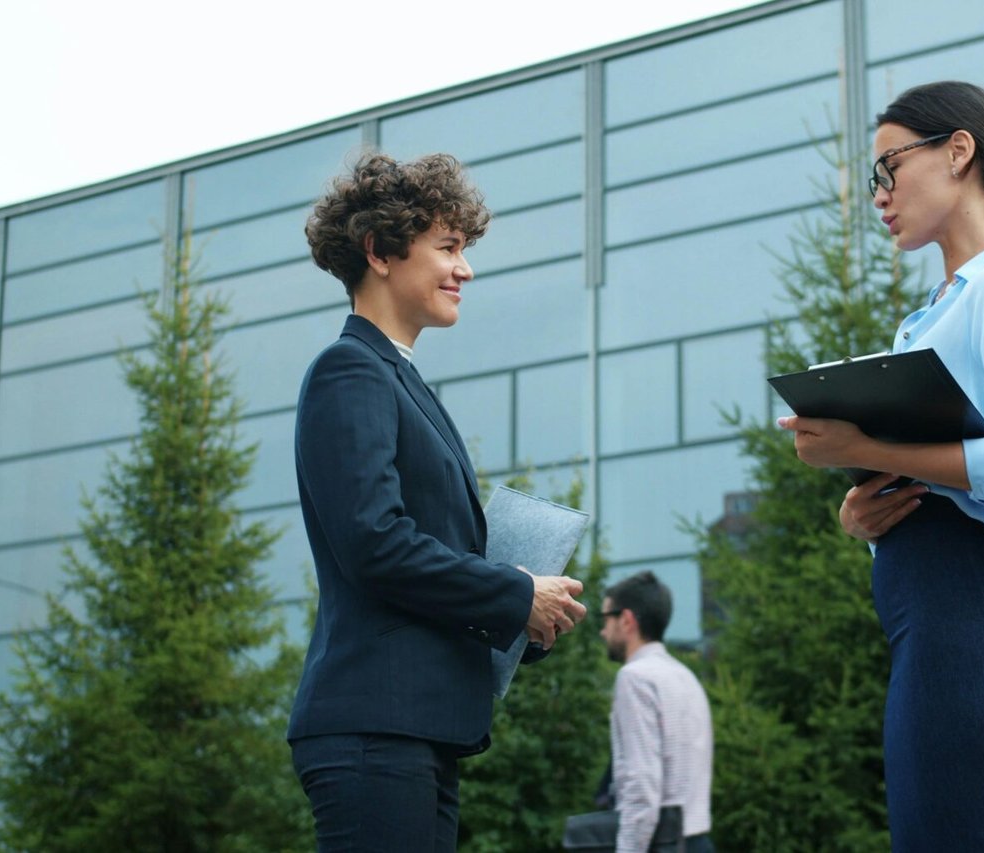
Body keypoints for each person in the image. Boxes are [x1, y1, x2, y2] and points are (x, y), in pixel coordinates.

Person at [777, 80, 984, 851]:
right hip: (938, 629)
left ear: (959, 152)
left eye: (889, 166)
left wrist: (865, 450)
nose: (879, 193)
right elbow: (946, 474)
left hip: (976, 623)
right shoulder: (933, 315)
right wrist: (867, 508)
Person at [287, 151, 589, 851]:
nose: (466, 268)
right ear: (381, 250)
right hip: (376, 729)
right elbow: (375, 542)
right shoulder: (349, 370)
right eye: (448, 246)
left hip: (413, 730)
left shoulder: (400, 379)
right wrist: (514, 594)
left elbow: (428, 558)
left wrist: (525, 614)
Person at [598, 571, 714, 853]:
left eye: (605, 620)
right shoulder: (684, 676)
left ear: (626, 620)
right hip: (696, 839)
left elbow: (641, 784)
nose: (602, 631)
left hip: (660, 843)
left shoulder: (635, 678)